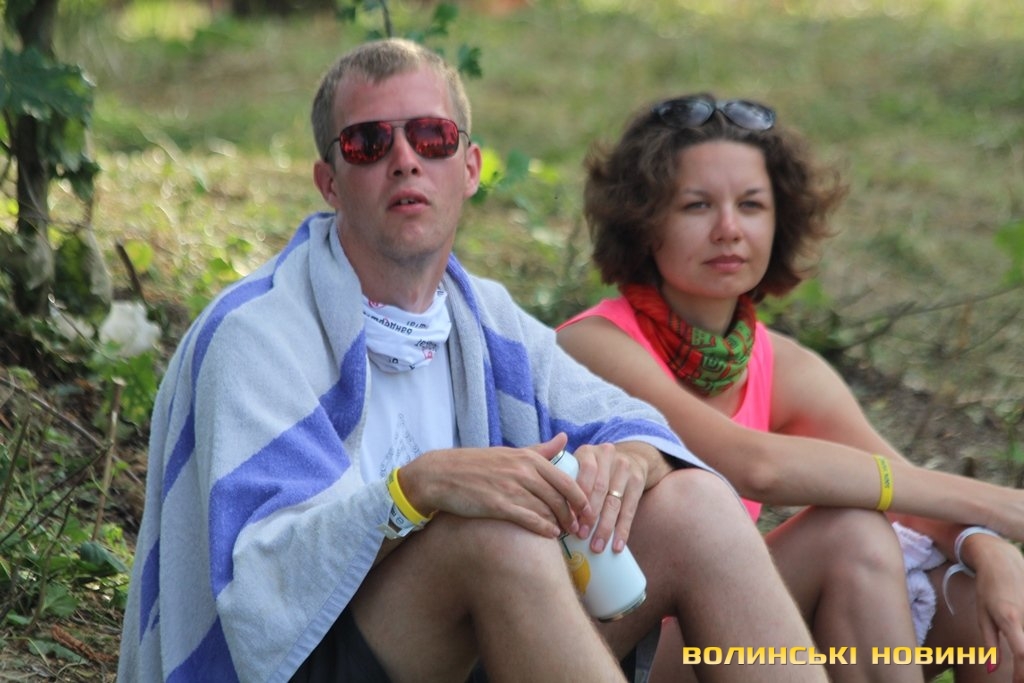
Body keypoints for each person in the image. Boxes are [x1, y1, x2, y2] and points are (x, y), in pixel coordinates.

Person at [116, 44, 831, 683]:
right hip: (301, 659)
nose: (405, 159)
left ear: (469, 168)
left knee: (696, 504)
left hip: (469, 639)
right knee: (495, 536)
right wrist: (415, 490)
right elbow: (263, 580)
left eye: (431, 137)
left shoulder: (482, 314)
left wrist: (634, 461)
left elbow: (629, 423)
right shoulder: (259, 333)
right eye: (368, 143)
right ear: (330, 182)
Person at [556, 93, 1024, 683]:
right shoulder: (592, 344)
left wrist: (989, 548)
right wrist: (997, 505)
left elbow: (909, 495)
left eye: (751, 205)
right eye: (697, 205)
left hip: (729, 640)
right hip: (612, 649)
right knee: (850, 533)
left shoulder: (780, 363)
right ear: (646, 223)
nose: (729, 230)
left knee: (979, 603)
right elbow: (754, 466)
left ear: (780, 222)